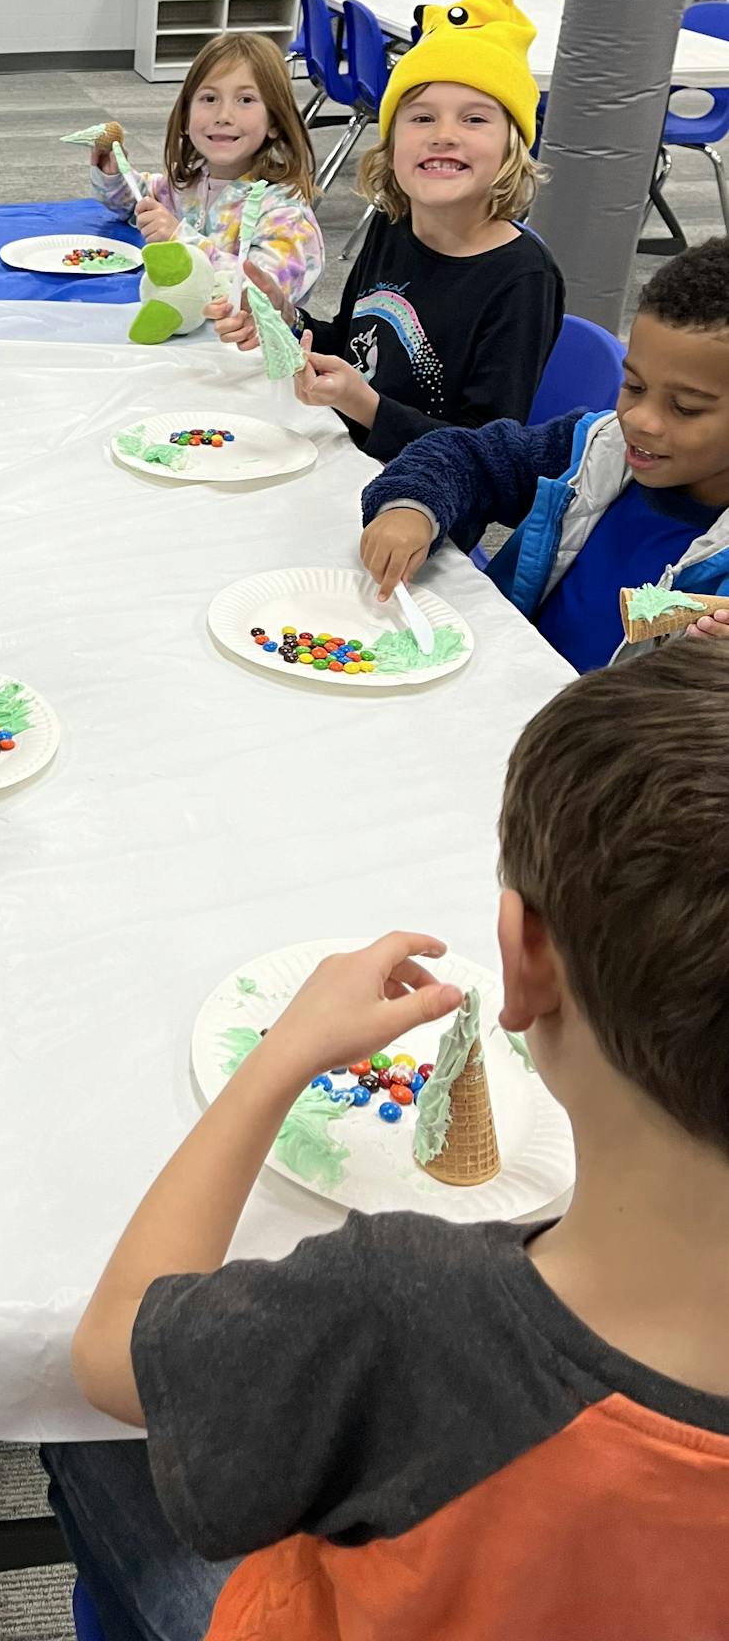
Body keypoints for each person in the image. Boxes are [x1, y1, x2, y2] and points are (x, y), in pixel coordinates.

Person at [46, 642, 729, 1641]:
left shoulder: (403, 1304)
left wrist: (278, 1059)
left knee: (87, 1438)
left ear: (523, 955)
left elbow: (111, 1349)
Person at [211, 0, 564, 464]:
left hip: (418, 499)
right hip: (336, 449)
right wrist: (290, 321)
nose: (443, 134)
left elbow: (487, 458)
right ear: (392, 144)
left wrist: (368, 406)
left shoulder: (520, 280)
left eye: (474, 119)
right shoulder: (393, 223)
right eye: (421, 117)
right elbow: (356, 345)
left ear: (512, 147)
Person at [359, 235, 729, 673]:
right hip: (495, 678)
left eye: (685, 408)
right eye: (634, 386)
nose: (640, 419)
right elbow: (467, 456)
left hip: (596, 734)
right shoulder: (593, 448)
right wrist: (412, 508)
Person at [91, 31, 323, 323]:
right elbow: (137, 203)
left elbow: (261, 294)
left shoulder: (285, 213)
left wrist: (181, 241)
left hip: (247, 357)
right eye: (209, 98)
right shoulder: (189, 184)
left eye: (246, 100)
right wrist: (114, 172)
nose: (224, 115)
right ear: (186, 116)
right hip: (188, 339)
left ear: (274, 122)